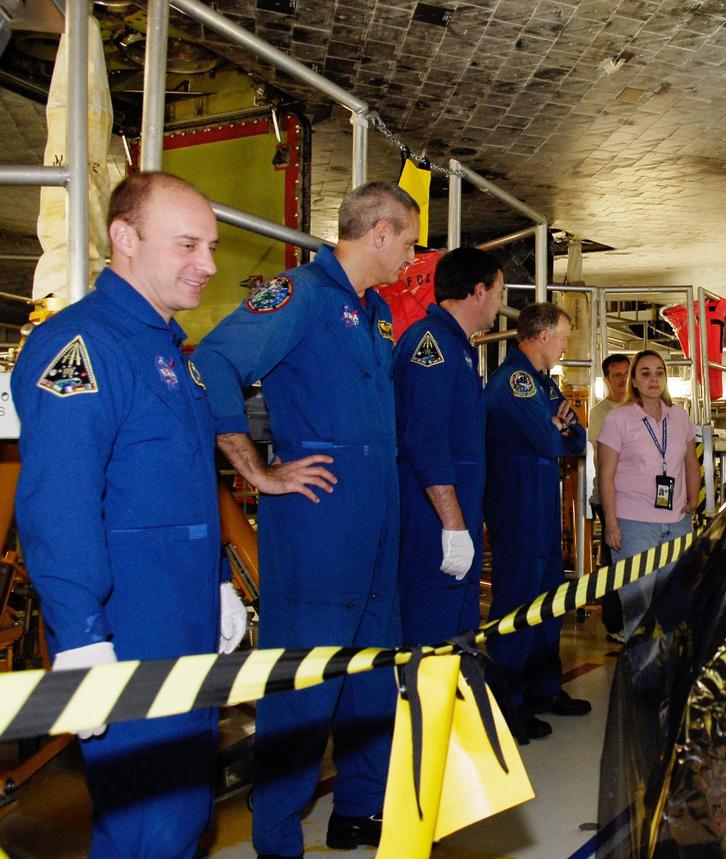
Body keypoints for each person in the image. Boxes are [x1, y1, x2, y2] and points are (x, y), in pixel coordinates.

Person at [14, 171, 242, 858]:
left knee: (182, 813)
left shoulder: (169, 355)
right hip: (127, 631)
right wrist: (81, 635)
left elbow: (190, 491)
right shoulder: (82, 348)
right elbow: (59, 502)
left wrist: (220, 580)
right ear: (124, 238)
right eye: (187, 245)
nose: (207, 264)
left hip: (186, 622)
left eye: (210, 245)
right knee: (150, 825)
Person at [193, 181, 417, 858]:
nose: (411, 256)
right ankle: (278, 834)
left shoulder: (375, 312)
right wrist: (256, 468)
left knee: (374, 677)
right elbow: (214, 361)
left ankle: (358, 807)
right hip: (318, 527)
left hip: (376, 527)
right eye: (408, 241)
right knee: (303, 687)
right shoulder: (301, 296)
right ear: (378, 232)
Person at [483, 302, 590, 743]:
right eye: (563, 337)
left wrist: (561, 428)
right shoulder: (515, 381)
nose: (566, 346)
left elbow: (577, 438)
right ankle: (509, 702)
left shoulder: (543, 385)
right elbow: (551, 440)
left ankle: (544, 687)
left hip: (542, 505)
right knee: (518, 605)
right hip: (517, 505)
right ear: (542, 335)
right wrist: (557, 429)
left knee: (550, 602)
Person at [393, 247, 504, 647]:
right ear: (478, 290)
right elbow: (425, 440)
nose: (500, 302)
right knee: (431, 630)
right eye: (499, 290)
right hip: (433, 520)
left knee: (457, 630)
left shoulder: (459, 348)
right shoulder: (433, 345)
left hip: (455, 514)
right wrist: (453, 525)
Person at [597, 350, 699, 640]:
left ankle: (664, 672)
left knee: (672, 604)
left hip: (676, 523)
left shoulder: (679, 417)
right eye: (645, 373)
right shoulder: (619, 420)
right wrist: (612, 524)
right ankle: (637, 676)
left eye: (659, 373)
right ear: (635, 381)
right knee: (638, 609)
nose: (653, 379)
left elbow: (690, 461)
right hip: (633, 525)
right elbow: (606, 475)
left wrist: (692, 502)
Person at [588, 353, 631, 638]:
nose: (623, 380)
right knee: (614, 557)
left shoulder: (639, 408)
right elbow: (609, 456)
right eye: (617, 375)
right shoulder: (602, 413)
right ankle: (614, 624)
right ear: (606, 379)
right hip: (610, 496)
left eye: (627, 373)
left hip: (637, 497)